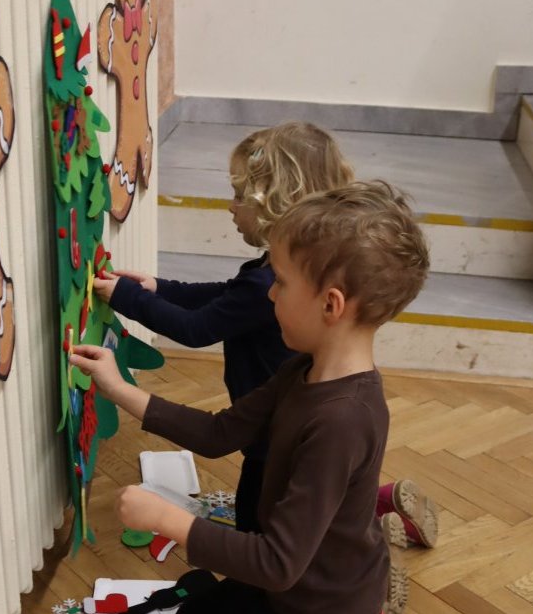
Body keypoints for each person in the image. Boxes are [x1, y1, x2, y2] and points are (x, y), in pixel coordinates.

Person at [71, 181, 429, 614]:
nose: (270, 296)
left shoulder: (342, 420)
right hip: (299, 585)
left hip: (312, 611)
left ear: (331, 305)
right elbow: (221, 434)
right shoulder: (303, 369)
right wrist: (120, 389)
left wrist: (170, 520)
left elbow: (278, 563)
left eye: (280, 283)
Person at [94, 122, 439, 552]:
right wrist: (158, 290)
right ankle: (367, 520)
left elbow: (198, 328)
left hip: (271, 448)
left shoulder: (334, 407)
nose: (230, 206)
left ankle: (366, 540)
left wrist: (128, 297)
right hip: (270, 432)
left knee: (266, 527)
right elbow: (224, 301)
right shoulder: (294, 339)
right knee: (312, 501)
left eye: (239, 194)